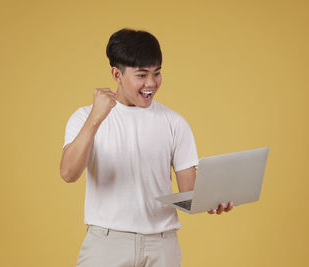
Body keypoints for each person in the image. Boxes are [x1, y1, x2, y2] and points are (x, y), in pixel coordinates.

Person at [60, 28, 234, 267]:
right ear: (116, 74)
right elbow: (68, 174)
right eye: (141, 75)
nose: (151, 83)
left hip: (162, 246)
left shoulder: (175, 123)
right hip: (107, 244)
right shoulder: (84, 117)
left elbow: (188, 192)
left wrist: (214, 199)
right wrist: (95, 118)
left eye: (157, 73)